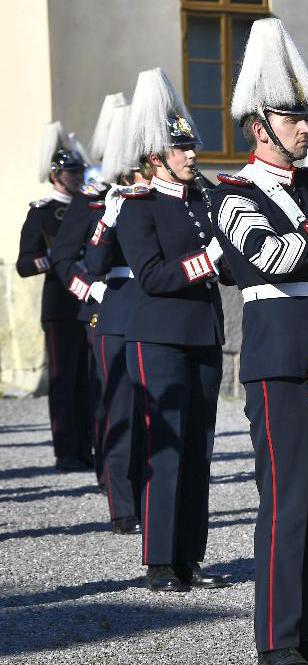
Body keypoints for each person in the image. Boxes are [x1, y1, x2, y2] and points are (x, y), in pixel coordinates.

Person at [212, 17, 308, 665]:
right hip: (277, 361)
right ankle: (277, 641)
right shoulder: (232, 194)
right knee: (288, 503)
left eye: (306, 116)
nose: (304, 126)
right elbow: (272, 258)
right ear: (259, 125)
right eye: (291, 116)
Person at [117, 68, 228, 594]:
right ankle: (159, 560)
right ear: (156, 158)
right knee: (166, 446)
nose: (191, 157)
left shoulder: (204, 201)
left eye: (190, 149)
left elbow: (225, 262)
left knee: (199, 449)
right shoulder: (138, 209)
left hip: (202, 334)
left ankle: (190, 556)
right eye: (181, 151)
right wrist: (207, 260)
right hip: (158, 335)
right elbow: (154, 275)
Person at [51, 93, 127, 489]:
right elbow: (63, 259)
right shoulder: (89, 200)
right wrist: (89, 289)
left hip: (139, 302)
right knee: (107, 392)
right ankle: (110, 474)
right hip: (100, 302)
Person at [84, 100, 147, 536]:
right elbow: (85, 260)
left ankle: (151, 499)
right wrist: (108, 216)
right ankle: (122, 506)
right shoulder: (108, 204)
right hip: (119, 310)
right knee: (121, 413)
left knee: (152, 418)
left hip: (158, 309)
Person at [17, 122, 94, 472]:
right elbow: (24, 263)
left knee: (88, 379)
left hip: (89, 300)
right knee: (64, 379)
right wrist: (56, 258)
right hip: (61, 304)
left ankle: (86, 446)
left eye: (78, 171)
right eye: (69, 171)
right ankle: (66, 450)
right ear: (55, 175)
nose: (76, 177)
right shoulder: (43, 212)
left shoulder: (90, 206)